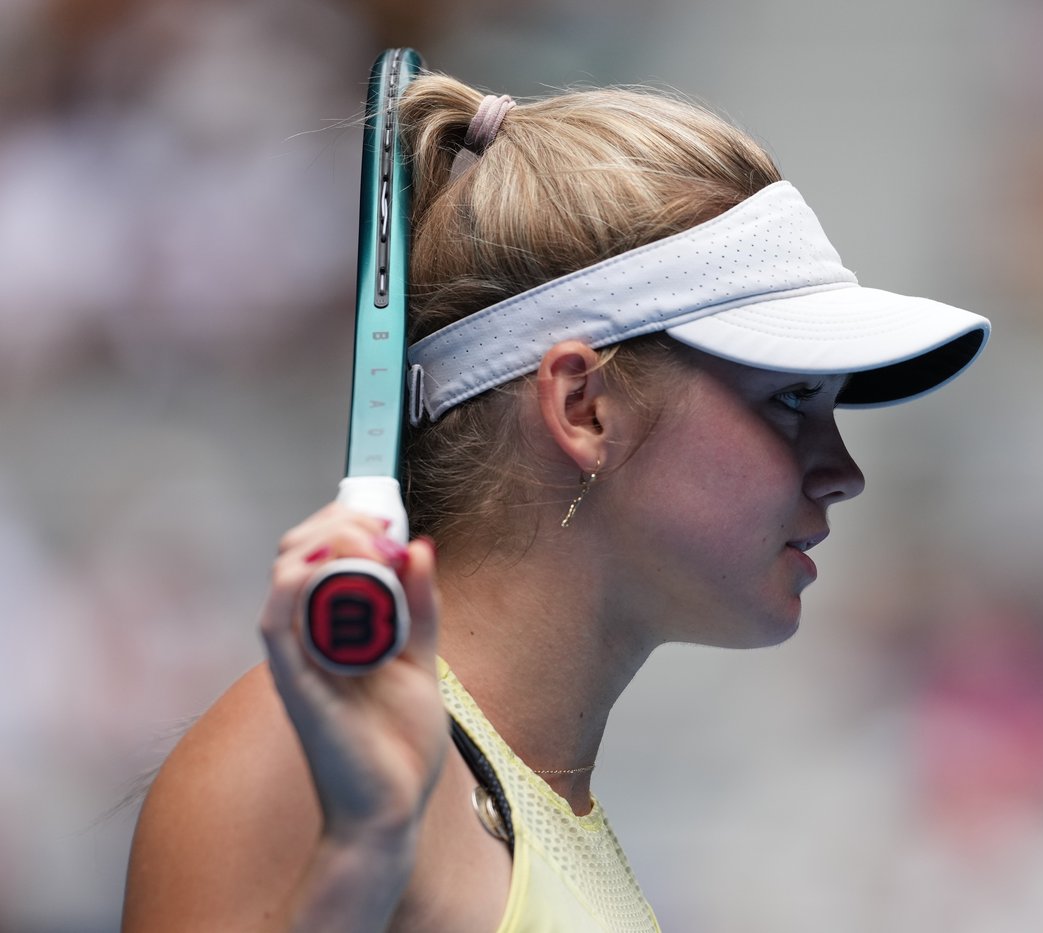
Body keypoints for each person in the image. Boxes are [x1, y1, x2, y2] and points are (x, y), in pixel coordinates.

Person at [121, 71, 989, 932]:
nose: (843, 470)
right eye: (790, 400)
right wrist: (356, 864)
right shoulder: (297, 755)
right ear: (582, 407)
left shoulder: (548, 802)